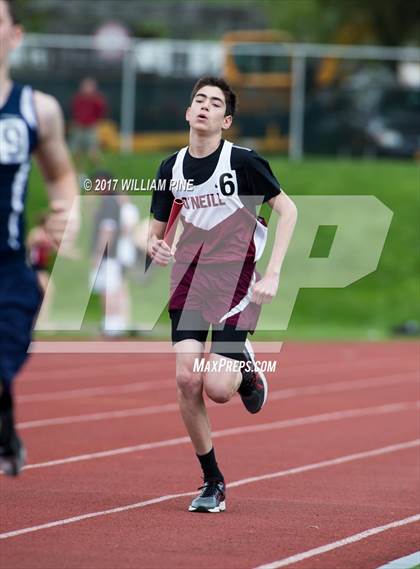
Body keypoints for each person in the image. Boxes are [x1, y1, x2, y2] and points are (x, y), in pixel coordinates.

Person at [149, 76, 297, 512]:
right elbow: (156, 228)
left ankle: (247, 374)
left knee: (217, 387)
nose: (204, 107)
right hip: (189, 281)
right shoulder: (169, 168)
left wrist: (272, 274)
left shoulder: (244, 162)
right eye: (198, 100)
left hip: (238, 282)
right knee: (186, 379)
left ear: (226, 120)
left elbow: (288, 210)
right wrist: (153, 245)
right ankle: (212, 481)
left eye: (215, 103)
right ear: (187, 112)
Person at [0, 0, 79, 476]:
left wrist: (67, 215)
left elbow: (61, 175)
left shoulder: (38, 110)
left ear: (15, 35)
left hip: (8, 270)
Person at [70, 77, 107, 176]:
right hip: (79, 127)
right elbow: (75, 111)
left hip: (90, 127)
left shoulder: (97, 99)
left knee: (93, 151)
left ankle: (100, 172)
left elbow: (100, 112)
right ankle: (80, 173)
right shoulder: (78, 98)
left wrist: (95, 122)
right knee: (77, 152)